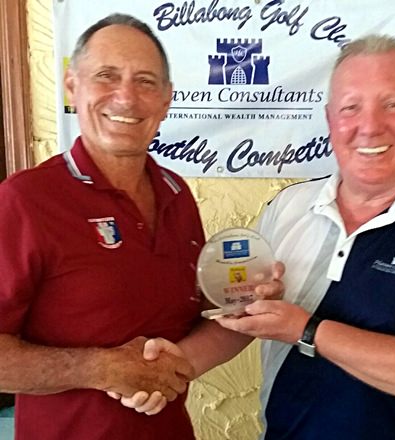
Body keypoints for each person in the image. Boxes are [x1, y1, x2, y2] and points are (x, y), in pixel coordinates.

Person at [127, 35, 395, 439]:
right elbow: (243, 318)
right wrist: (172, 367)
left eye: (392, 105)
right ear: (331, 119)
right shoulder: (289, 207)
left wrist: (306, 330)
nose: (369, 126)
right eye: (351, 107)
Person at [0, 13, 283, 440]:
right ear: (73, 87)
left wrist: (250, 307)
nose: (127, 98)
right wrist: (100, 368)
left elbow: (210, 322)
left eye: (146, 81)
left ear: (166, 100)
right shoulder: (25, 200)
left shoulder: (177, 195)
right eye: (106, 76)